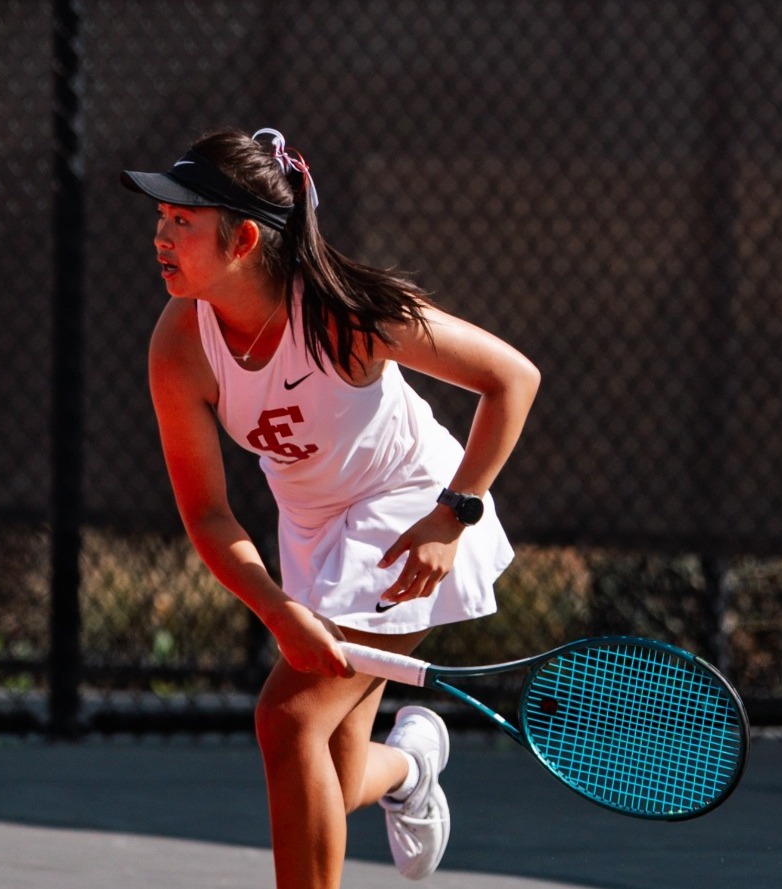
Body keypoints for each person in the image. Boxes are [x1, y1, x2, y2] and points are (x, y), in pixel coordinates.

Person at [122, 127, 539, 889]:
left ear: (244, 239)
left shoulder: (345, 316)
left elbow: (512, 378)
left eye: (183, 220)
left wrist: (453, 515)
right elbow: (209, 514)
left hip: (408, 517)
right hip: (314, 533)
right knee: (332, 779)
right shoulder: (180, 345)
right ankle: (412, 767)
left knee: (287, 722)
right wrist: (278, 609)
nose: (161, 234)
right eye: (162, 217)